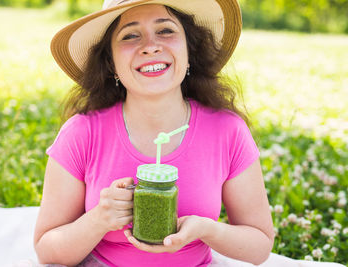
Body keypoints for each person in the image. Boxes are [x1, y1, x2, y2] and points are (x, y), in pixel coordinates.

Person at [33, 0, 275, 266]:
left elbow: (259, 245)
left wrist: (207, 229)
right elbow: (47, 249)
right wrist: (98, 219)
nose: (150, 46)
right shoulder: (81, 133)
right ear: (111, 62)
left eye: (166, 31)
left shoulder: (227, 131)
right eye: (130, 35)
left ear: (189, 50)